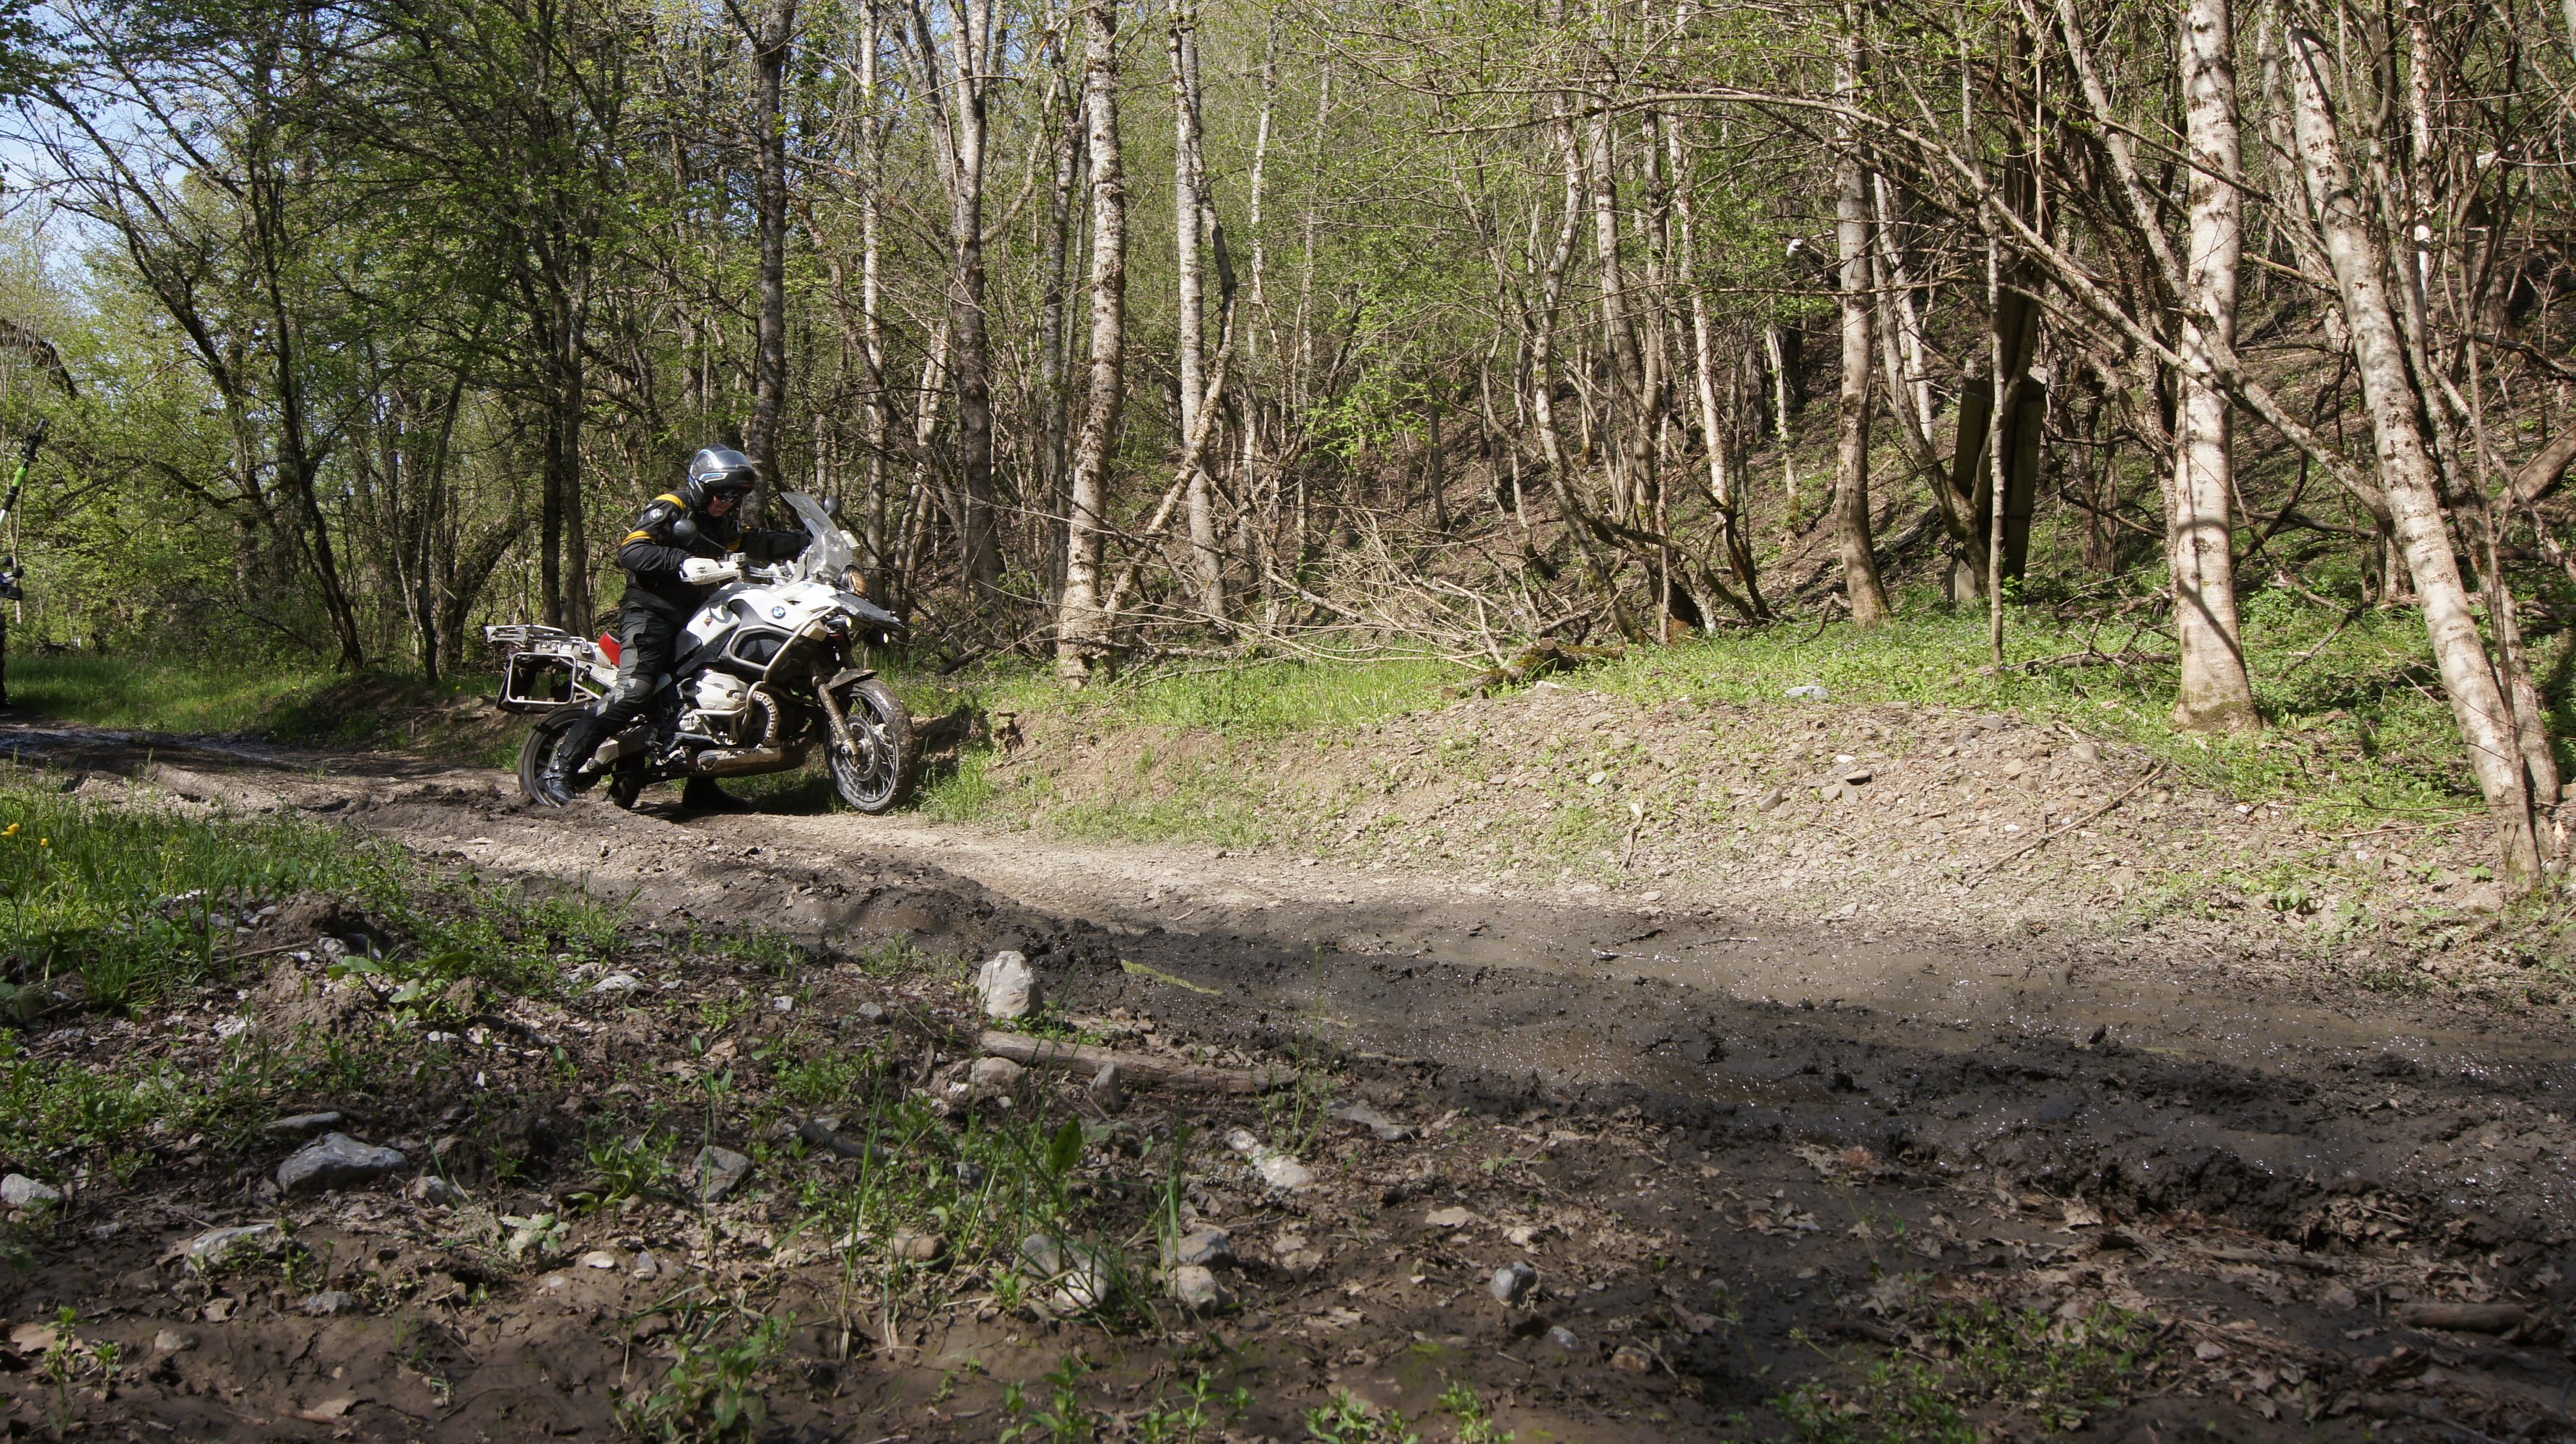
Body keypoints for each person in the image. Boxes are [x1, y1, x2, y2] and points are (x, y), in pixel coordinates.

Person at [537, 446, 808, 809]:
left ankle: (702, 790)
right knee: (635, 690)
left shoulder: (723, 523)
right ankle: (559, 770)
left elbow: (757, 541)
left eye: (735, 496)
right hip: (650, 614)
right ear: (700, 485)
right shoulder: (672, 506)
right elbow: (631, 551)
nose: (726, 501)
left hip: (699, 616)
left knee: (713, 689)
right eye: (720, 493)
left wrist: (807, 540)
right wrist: (681, 561)